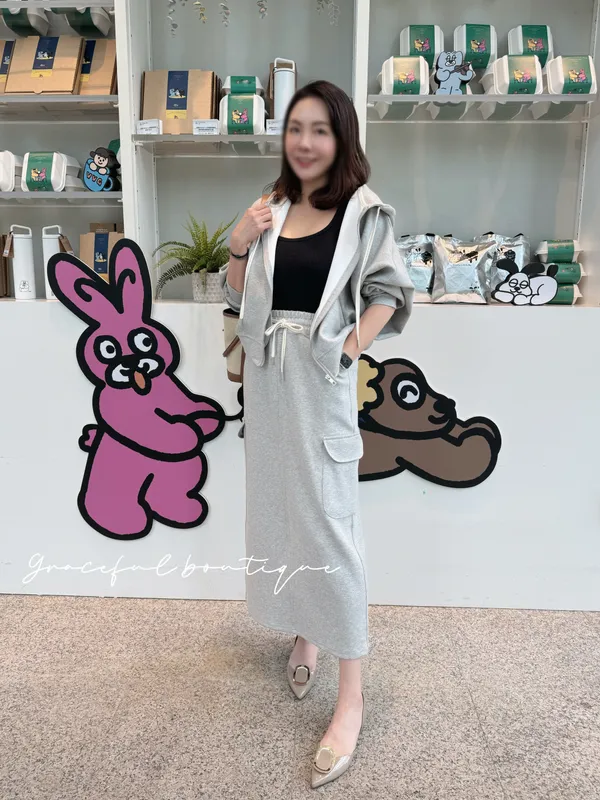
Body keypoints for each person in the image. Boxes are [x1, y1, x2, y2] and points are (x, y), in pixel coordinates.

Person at [219, 80, 414, 788]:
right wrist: (238, 245)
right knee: (283, 517)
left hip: (321, 381)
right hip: (270, 384)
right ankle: (305, 631)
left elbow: (391, 292)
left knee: (331, 529)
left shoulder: (364, 213)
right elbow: (236, 297)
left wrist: (348, 349)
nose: (305, 142)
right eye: (296, 128)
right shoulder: (270, 208)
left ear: (342, 139)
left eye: (320, 130)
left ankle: (351, 698)